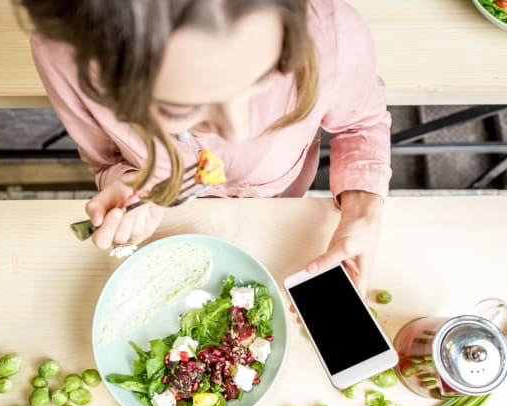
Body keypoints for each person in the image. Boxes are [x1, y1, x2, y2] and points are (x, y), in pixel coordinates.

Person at [19, 0, 391, 294]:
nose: (238, 131)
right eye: (182, 109)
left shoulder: (331, 33)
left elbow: (363, 121)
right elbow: (106, 158)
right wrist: (131, 180)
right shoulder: (64, 53)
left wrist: (363, 208)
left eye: (262, 76)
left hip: (279, 219)